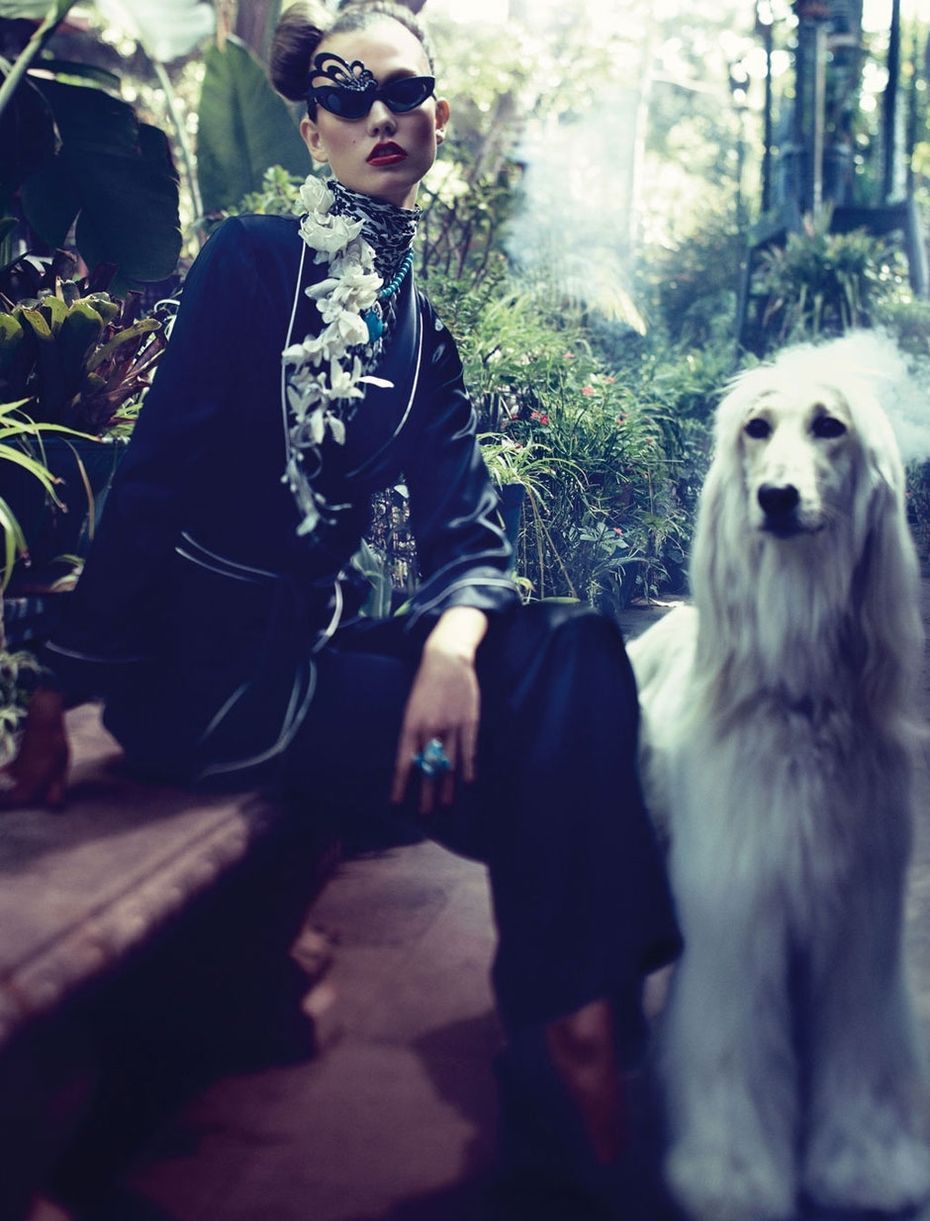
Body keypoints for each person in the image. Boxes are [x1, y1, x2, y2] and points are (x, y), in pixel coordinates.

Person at [2, 3, 680, 1215]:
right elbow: (153, 476)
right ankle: (580, 1038)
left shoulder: (421, 337)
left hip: (313, 665)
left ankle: (572, 1031)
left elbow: (469, 532)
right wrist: (59, 688)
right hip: (204, 687)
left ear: (439, 118)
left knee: (571, 644)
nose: (380, 115)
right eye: (346, 94)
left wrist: (453, 648)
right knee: (550, 752)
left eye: (404, 91)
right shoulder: (252, 261)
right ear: (312, 128)